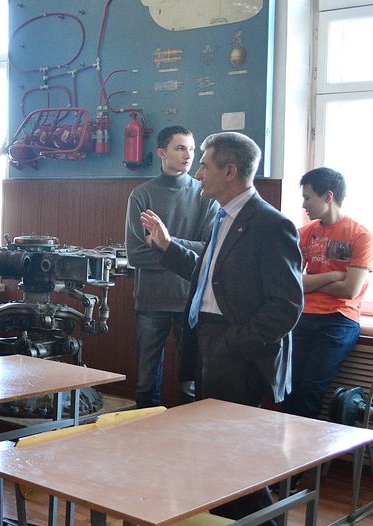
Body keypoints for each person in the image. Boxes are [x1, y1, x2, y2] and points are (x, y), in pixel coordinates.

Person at [141, 131, 303, 523]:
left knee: (234, 458)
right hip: (206, 342)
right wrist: (167, 247)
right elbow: (208, 277)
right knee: (215, 454)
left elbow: (286, 306)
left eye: (204, 165)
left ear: (229, 172)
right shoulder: (224, 217)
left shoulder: (270, 224)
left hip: (238, 353)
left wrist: (234, 344)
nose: (197, 173)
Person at [124, 126, 218, 407]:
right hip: (151, 300)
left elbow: (209, 252)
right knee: (145, 382)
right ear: (162, 153)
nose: (188, 155)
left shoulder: (206, 194)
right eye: (180, 148)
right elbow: (135, 255)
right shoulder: (141, 195)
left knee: (191, 385)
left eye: (192, 149)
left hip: (191, 300)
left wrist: (165, 242)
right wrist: (182, 256)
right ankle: (145, 433)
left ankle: (187, 435)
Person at [282, 168, 371, 419]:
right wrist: (333, 275)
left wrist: (309, 282)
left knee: (310, 390)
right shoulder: (304, 233)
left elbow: (350, 289)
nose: (304, 205)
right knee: (289, 388)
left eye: (308, 197)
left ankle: (306, 444)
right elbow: (291, 283)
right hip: (303, 317)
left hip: (339, 320)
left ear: (328, 196)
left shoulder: (360, 235)